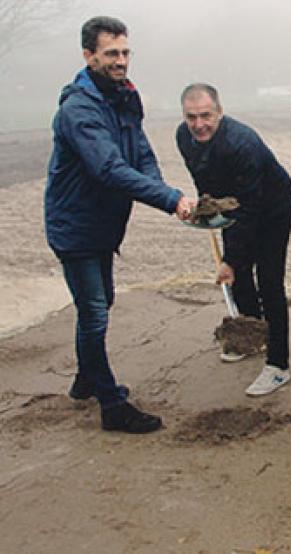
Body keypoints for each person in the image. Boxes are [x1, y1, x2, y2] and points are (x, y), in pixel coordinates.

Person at [44, 16, 195, 433]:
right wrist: (170, 201)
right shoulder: (79, 109)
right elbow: (109, 168)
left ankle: (84, 380)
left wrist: (170, 193)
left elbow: (140, 154)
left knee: (100, 303)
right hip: (74, 225)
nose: (121, 61)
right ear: (88, 55)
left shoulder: (124, 97)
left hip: (103, 226)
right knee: (94, 313)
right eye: (112, 53)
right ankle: (111, 404)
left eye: (126, 52)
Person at [176, 83, 291, 397]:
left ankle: (278, 364)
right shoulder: (183, 137)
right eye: (192, 117)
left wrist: (230, 259)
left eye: (206, 116)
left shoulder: (242, 144)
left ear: (220, 112)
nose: (199, 124)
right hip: (233, 202)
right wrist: (205, 210)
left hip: (271, 206)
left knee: (268, 281)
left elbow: (251, 209)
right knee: (238, 276)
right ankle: (250, 335)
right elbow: (205, 180)